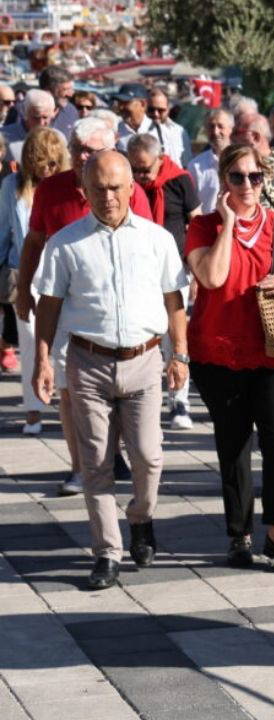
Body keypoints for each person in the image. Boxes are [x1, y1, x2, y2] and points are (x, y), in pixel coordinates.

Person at [31, 150, 189, 590]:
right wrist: (43, 360)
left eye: (117, 187)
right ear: (84, 191)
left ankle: (141, 517)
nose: (109, 197)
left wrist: (180, 354)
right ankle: (107, 552)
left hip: (144, 360)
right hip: (88, 362)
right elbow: (49, 306)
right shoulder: (65, 243)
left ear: (132, 188)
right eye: (99, 189)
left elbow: (174, 300)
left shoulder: (157, 239)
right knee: (96, 463)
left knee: (148, 456)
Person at [185, 143, 274, 571]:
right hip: (218, 352)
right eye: (237, 177)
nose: (247, 185)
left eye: (255, 176)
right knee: (232, 444)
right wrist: (228, 224)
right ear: (223, 180)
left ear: (265, 178)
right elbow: (212, 277)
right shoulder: (204, 226)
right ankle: (239, 534)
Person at [13, 117, 153, 497]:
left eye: (91, 151)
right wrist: (23, 290)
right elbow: (34, 241)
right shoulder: (52, 189)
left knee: (119, 393)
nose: (82, 157)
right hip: (65, 309)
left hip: (118, 309)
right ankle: (80, 467)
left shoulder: (130, 190)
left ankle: (113, 452)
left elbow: (148, 247)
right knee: (69, 390)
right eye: (77, 149)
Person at [127, 133, 201, 429]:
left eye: (145, 169)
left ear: (160, 159)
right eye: (135, 169)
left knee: (175, 336)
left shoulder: (179, 180)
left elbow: (195, 224)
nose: (140, 175)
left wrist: (196, 272)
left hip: (174, 269)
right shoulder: (127, 185)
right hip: (138, 271)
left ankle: (179, 401)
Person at [0, 128, 69, 435]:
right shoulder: (12, 186)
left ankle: (68, 401)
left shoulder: (66, 186)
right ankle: (33, 409)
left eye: (53, 163)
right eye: (41, 162)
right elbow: (3, 230)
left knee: (64, 341)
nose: (47, 169)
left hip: (63, 272)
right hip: (24, 271)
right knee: (29, 342)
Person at [187, 108, 233, 215]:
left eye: (220, 126)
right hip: (207, 223)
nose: (215, 132)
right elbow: (191, 204)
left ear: (231, 129)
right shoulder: (195, 166)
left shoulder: (242, 160)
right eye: (211, 127)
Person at [135, 88, 191, 165]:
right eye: (151, 110)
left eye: (160, 110)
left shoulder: (179, 131)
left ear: (168, 109)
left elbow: (186, 163)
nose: (156, 114)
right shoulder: (139, 132)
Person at [3, 89, 56, 162]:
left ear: (52, 115)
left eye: (45, 117)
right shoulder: (3, 136)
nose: (41, 123)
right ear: (26, 114)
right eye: (36, 117)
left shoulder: (58, 138)